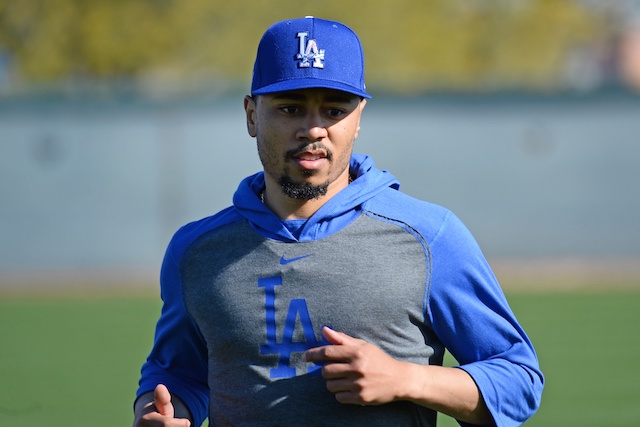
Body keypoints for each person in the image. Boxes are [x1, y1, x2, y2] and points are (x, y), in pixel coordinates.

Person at [133, 16, 544, 427]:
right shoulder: (196, 251)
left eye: (333, 110)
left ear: (359, 117)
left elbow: (518, 382)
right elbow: (177, 374)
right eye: (290, 108)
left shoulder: (429, 238)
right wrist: (161, 410)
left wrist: (407, 379)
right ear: (252, 114)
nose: (313, 129)